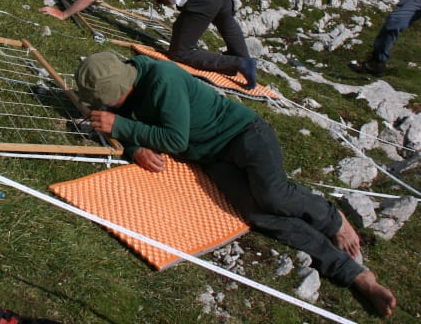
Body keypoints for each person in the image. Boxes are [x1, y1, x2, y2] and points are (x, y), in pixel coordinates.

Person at [74, 51, 397, 318]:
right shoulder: (125, 92)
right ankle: (355, 275)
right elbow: (130, 131)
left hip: (245, 135)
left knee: (274, 195)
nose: (105, 109)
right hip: (215, 158)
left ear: (118, 90)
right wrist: (135, 147)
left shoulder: (162, 78)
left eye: (107, 102)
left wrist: (123, 127)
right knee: (259, 215)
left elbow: (174, 138)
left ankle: (333, 219)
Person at [41, 0, 257, 89]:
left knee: (180, 52)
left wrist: (64, 14)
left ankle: (239, 64)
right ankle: (243, 60)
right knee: (225, 19)